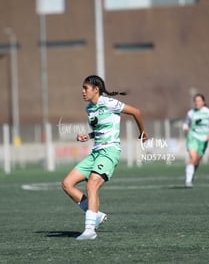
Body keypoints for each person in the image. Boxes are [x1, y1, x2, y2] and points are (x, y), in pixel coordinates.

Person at [61, 75, 148, 240]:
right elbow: (102, 129)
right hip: (95, 153)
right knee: (67, 184)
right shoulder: (89, 109)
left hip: (109, 151)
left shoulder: (109, 103)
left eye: (85, 88)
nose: (82, 91)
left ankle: (89, 230)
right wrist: (88, 135)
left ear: (96, 89)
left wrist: (142, 133)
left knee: (92, 184)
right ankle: (96, 215)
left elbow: (136, 112)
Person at [183, 94, 209, 188]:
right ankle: (188, 181)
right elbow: (185, 124)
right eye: (195, 101)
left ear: (203, 102)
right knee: (193, 158)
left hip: (204, 139)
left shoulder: (208, 112)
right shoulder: (190, 113)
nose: (197, 102)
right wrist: (185, 129)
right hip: (192, 136)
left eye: (199, 100)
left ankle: (191, 173)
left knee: (197, 161)